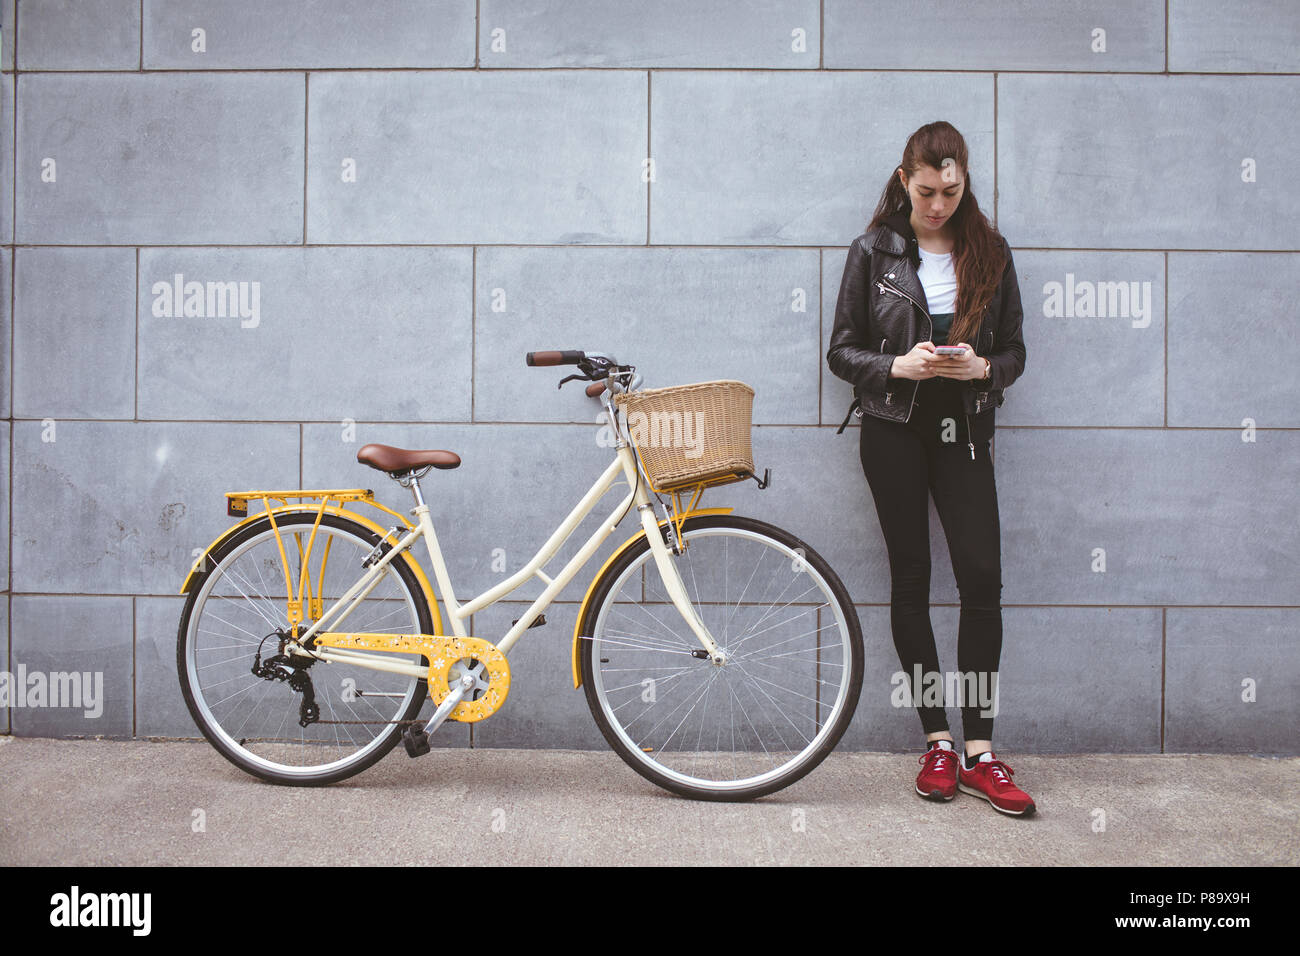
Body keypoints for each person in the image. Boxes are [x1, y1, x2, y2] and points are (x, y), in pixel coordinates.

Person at [826, 121, 1035, 816]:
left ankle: (982, 753)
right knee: (911, 577)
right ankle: (937, 742)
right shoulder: (874, 250)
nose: (938, 204)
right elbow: (841, 351)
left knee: (982, 579)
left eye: (950, 190)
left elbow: (1014, 350)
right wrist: (895, 364)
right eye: (925, 190)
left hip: (965, 429)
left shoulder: (992, 253)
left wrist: (984, 368)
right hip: (893, 429)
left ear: (965, 180)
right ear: (903, 177)